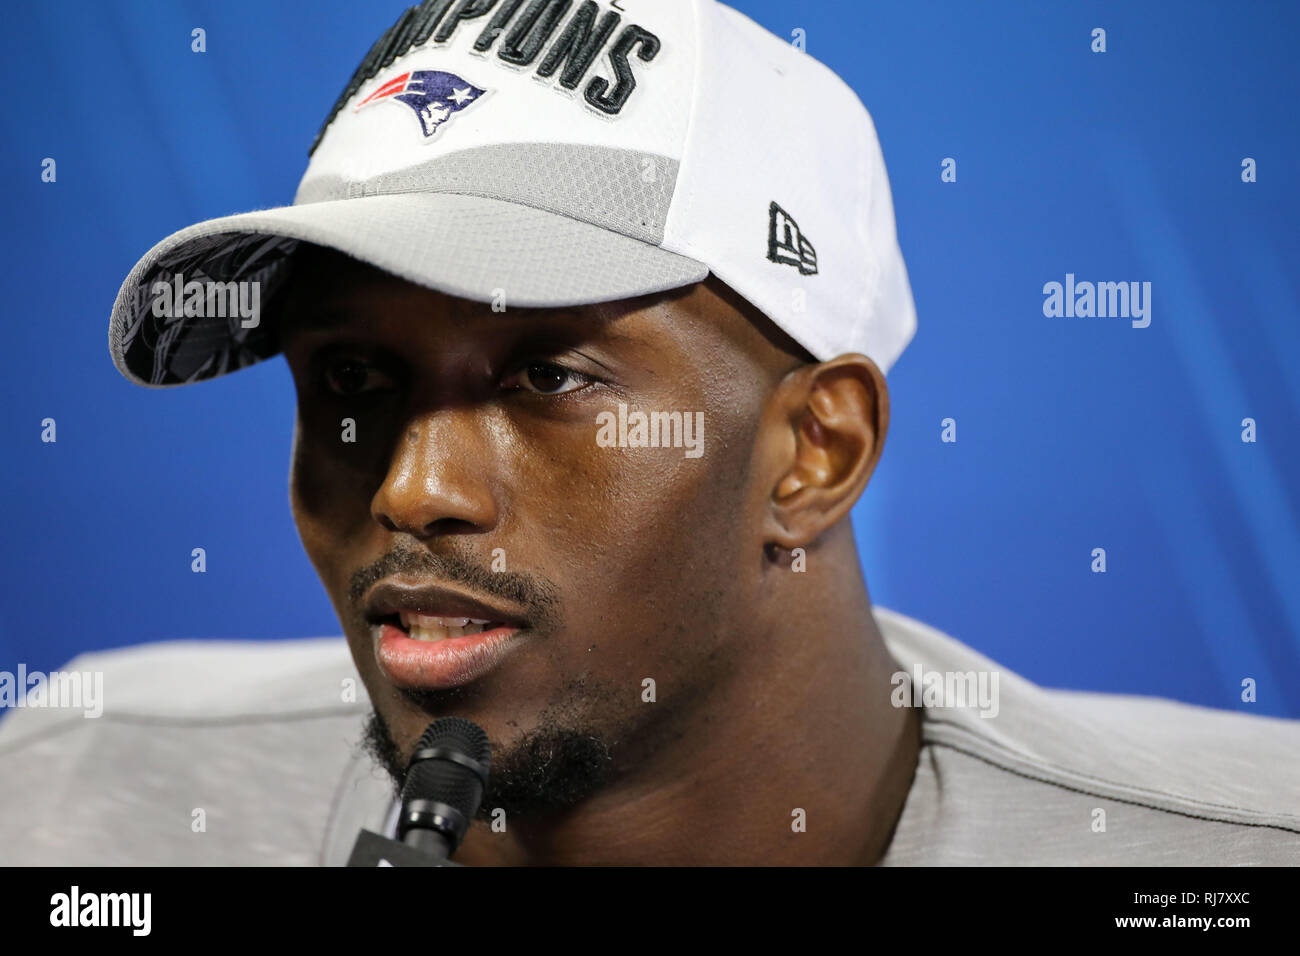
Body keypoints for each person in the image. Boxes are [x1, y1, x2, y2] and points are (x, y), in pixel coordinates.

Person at [1, 0, 1296, 866]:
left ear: (817, 454)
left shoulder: (1228, 855)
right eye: (353, 373)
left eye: (546, 375)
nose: (416, 487)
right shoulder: (74, 801)